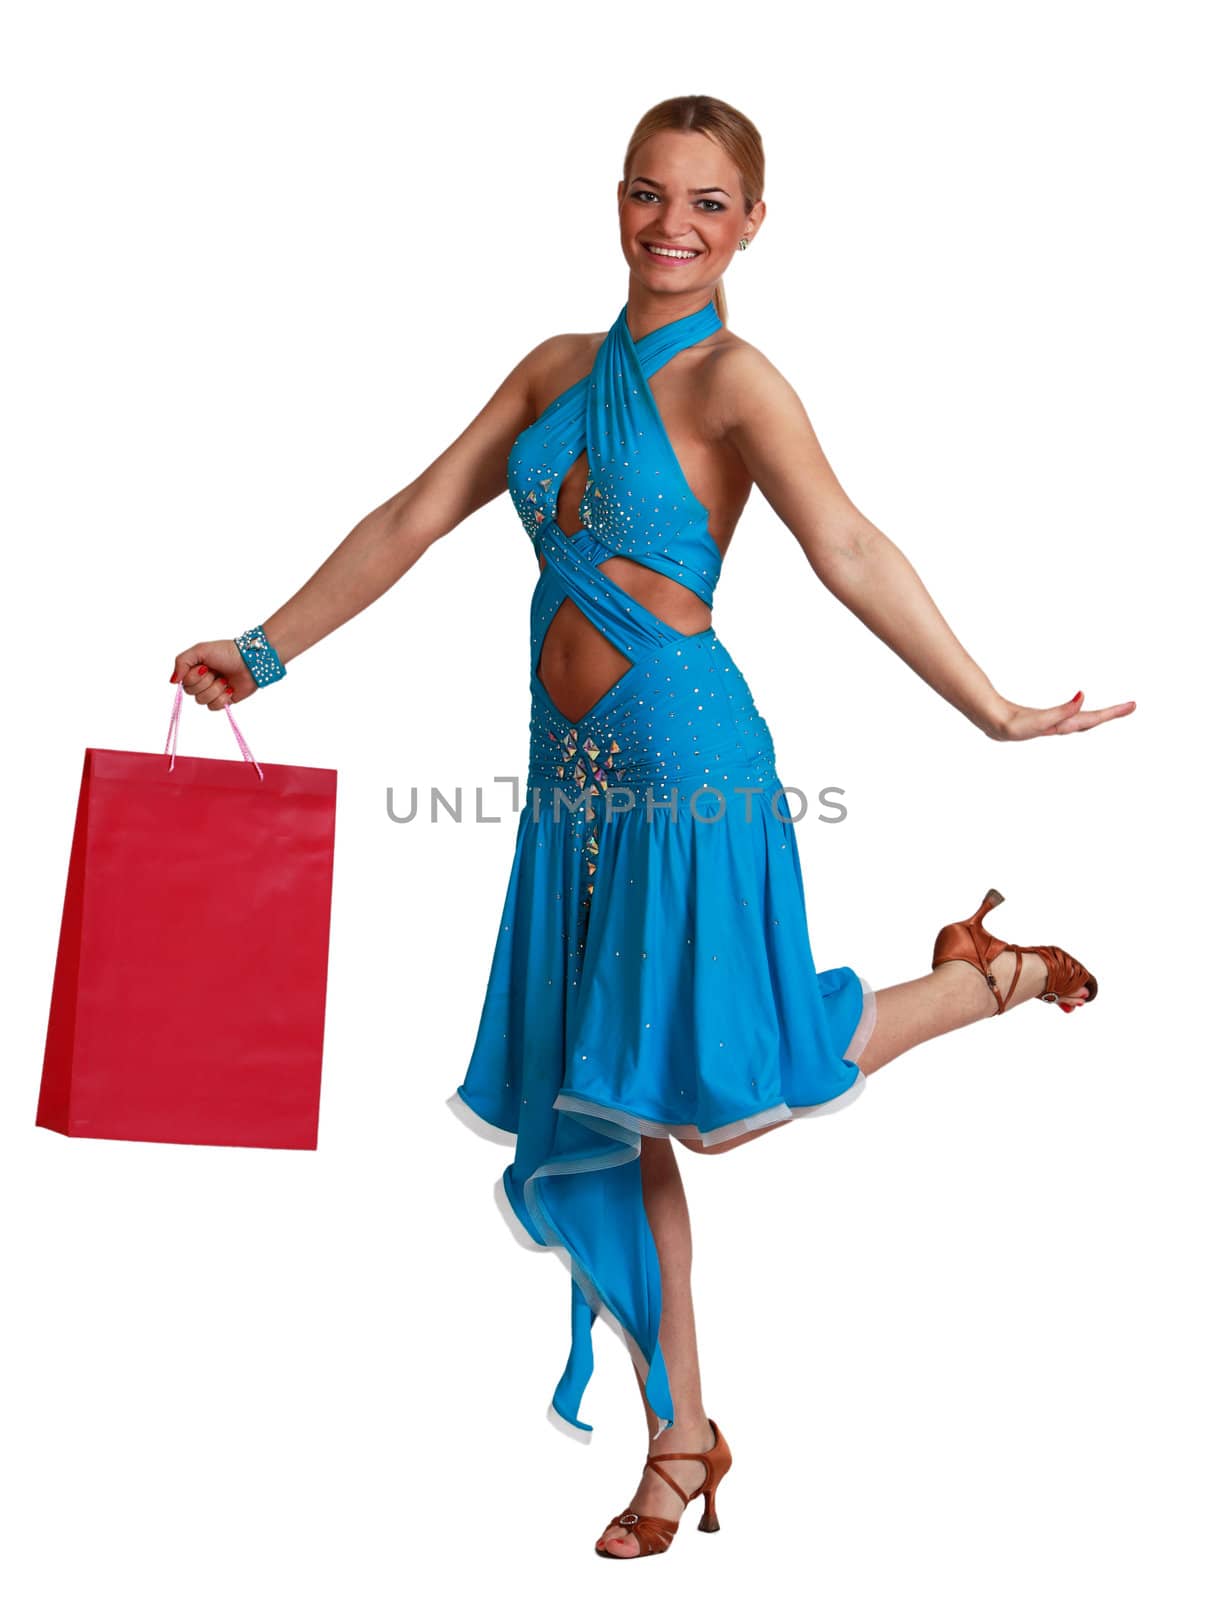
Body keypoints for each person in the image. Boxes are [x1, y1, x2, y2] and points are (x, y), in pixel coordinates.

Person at [169, 94, 1136, 1561]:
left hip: (687, 757)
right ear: (615, 201)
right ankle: (676, 1437)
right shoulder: (553, 370)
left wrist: (991, 709)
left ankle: (976, 980)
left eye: (705, 203)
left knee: (725, 1099)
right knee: (602, 1110)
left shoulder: (736, 382)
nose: (670, 226)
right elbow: (413, 515)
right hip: (568, 781)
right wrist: (268, 644)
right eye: (647, 195)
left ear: (751, 222)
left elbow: (848, 547)